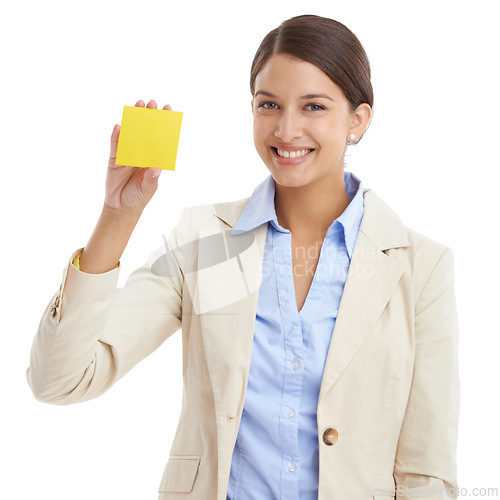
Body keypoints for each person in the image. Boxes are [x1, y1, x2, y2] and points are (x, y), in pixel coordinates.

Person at [26, 14, 460, 500]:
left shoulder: (421, 267)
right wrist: (116, 216)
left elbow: (427, 474)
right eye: (268, 104)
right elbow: (59, 380)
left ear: (358, 120)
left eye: (313, 106)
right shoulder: (204, 243)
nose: (287, 128)